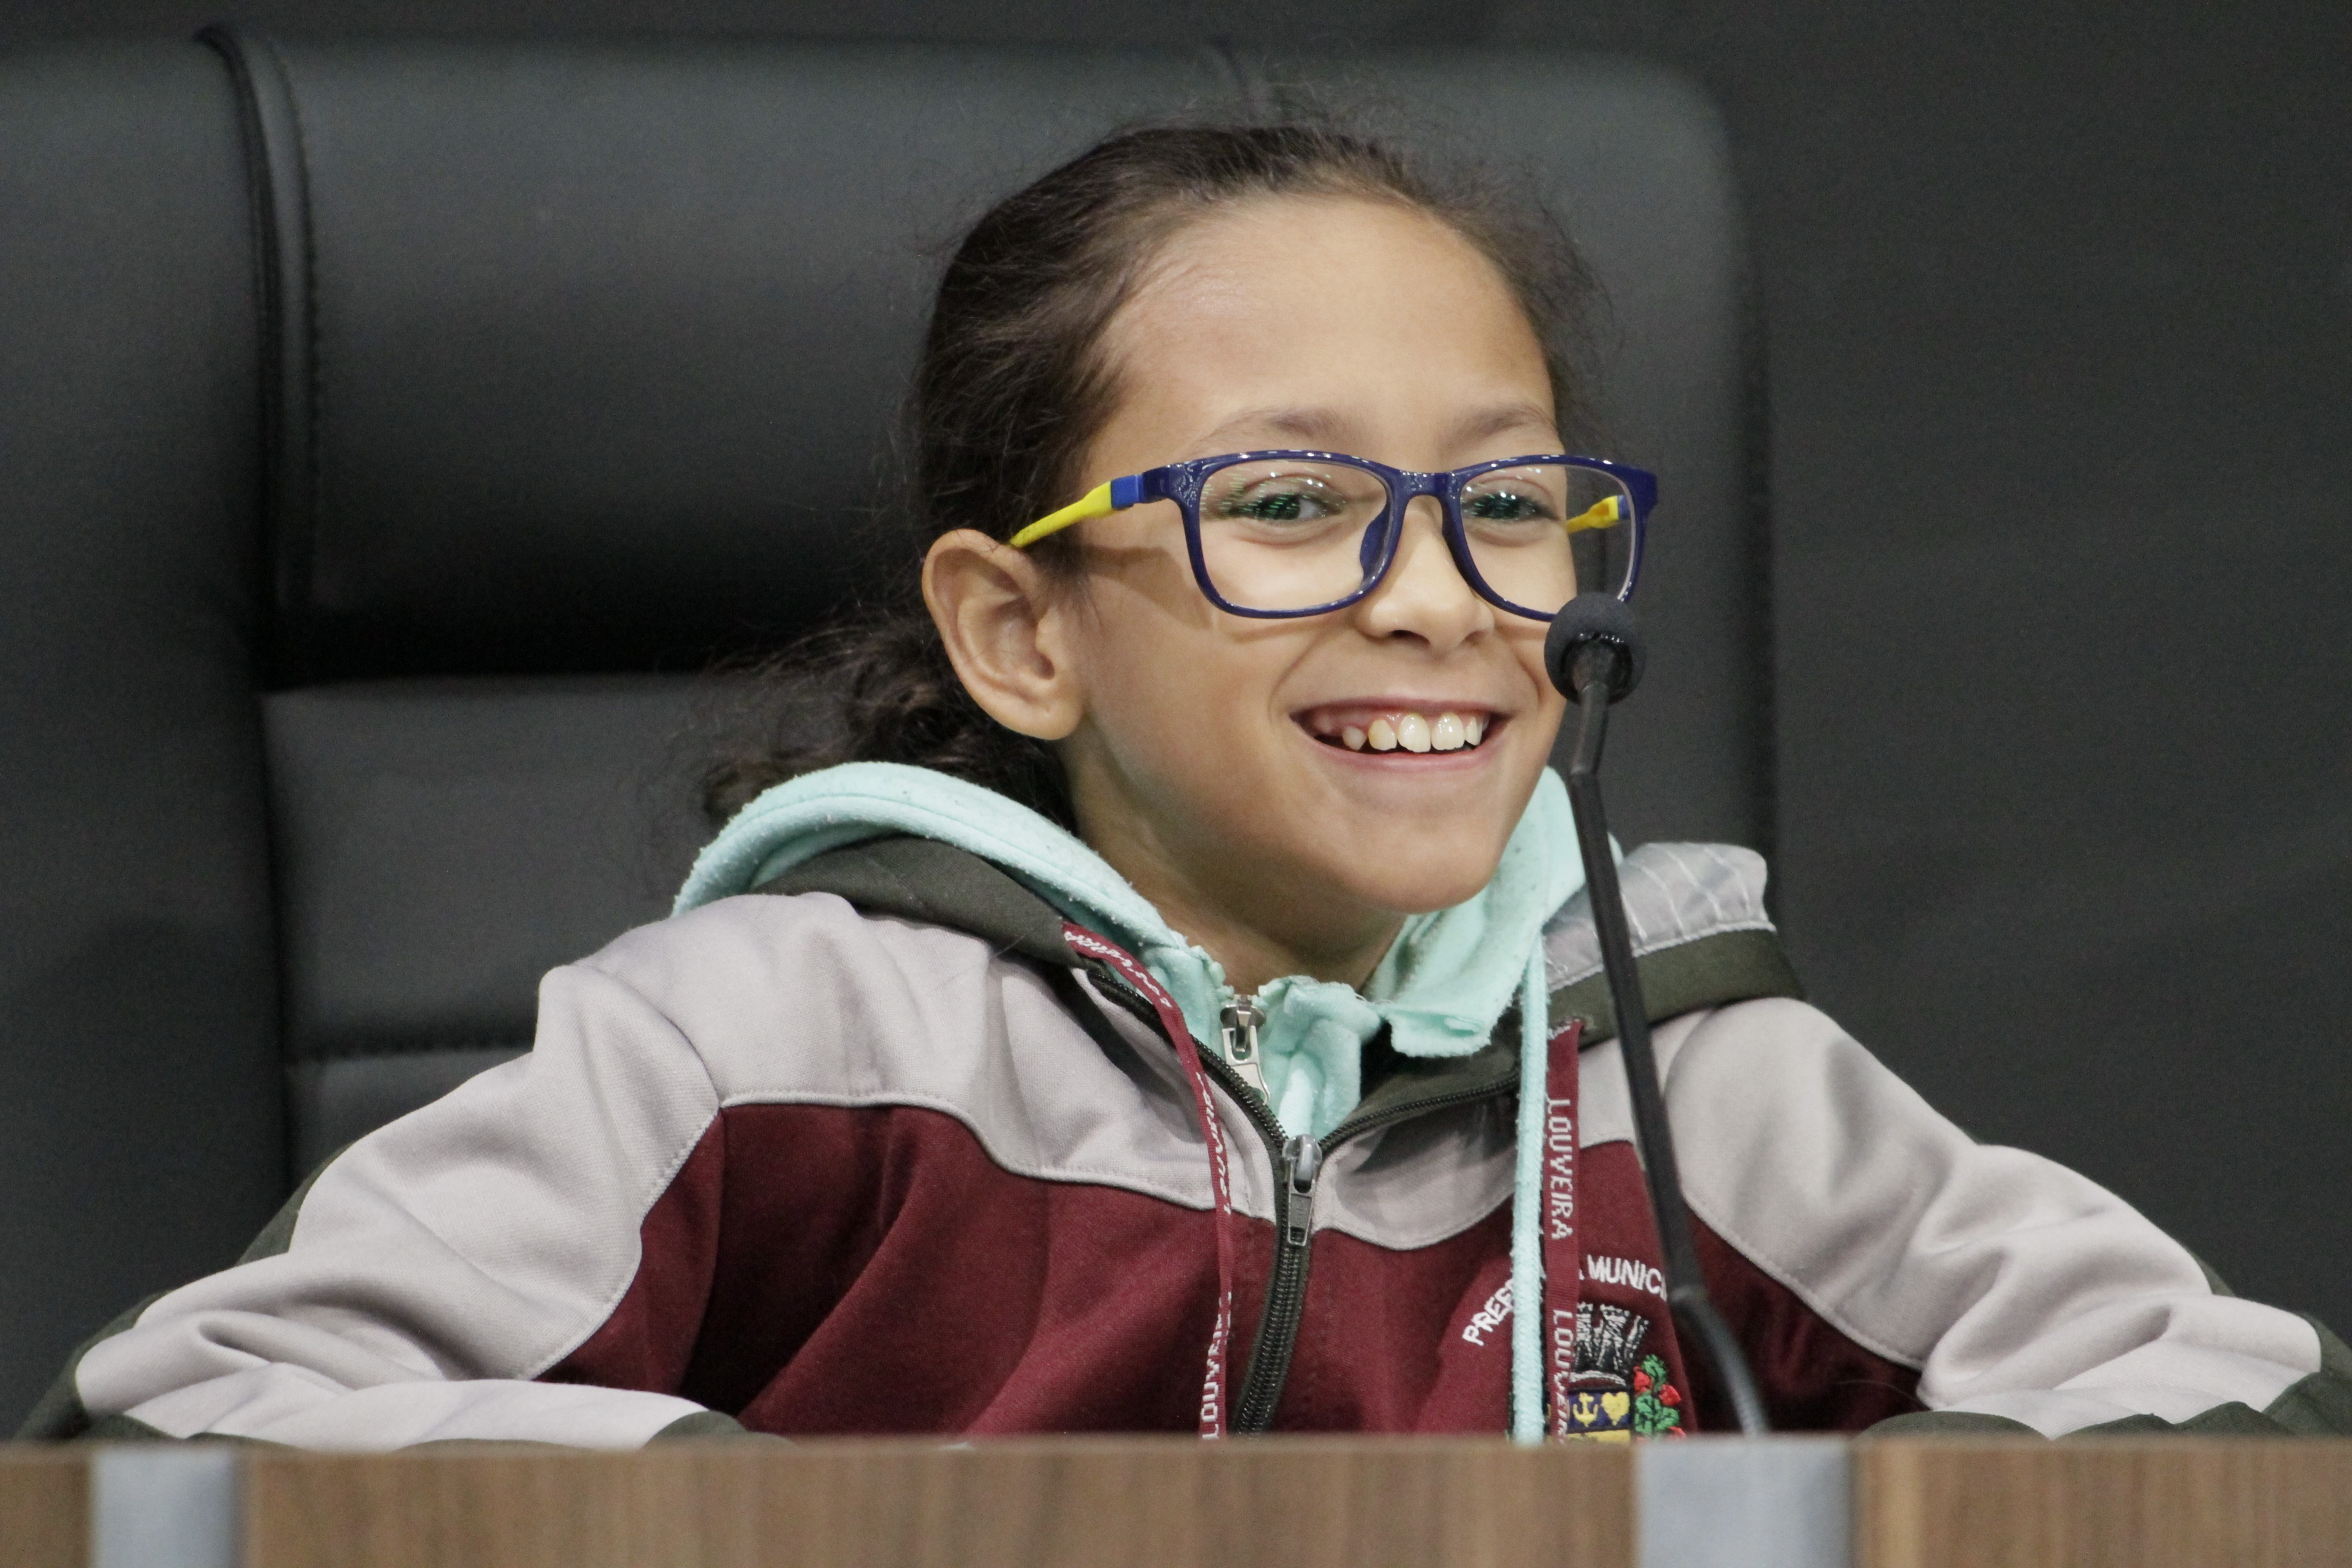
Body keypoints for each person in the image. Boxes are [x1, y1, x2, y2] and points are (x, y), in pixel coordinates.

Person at [24, 124, 2348, 1448]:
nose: (1440, 599)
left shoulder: (1691, 1078)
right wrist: (759, 1526)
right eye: (1294, 506)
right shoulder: (762, 1045)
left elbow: (2240, 1404)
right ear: (1019, 631)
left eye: (1510, 504)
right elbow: (180, 1424)